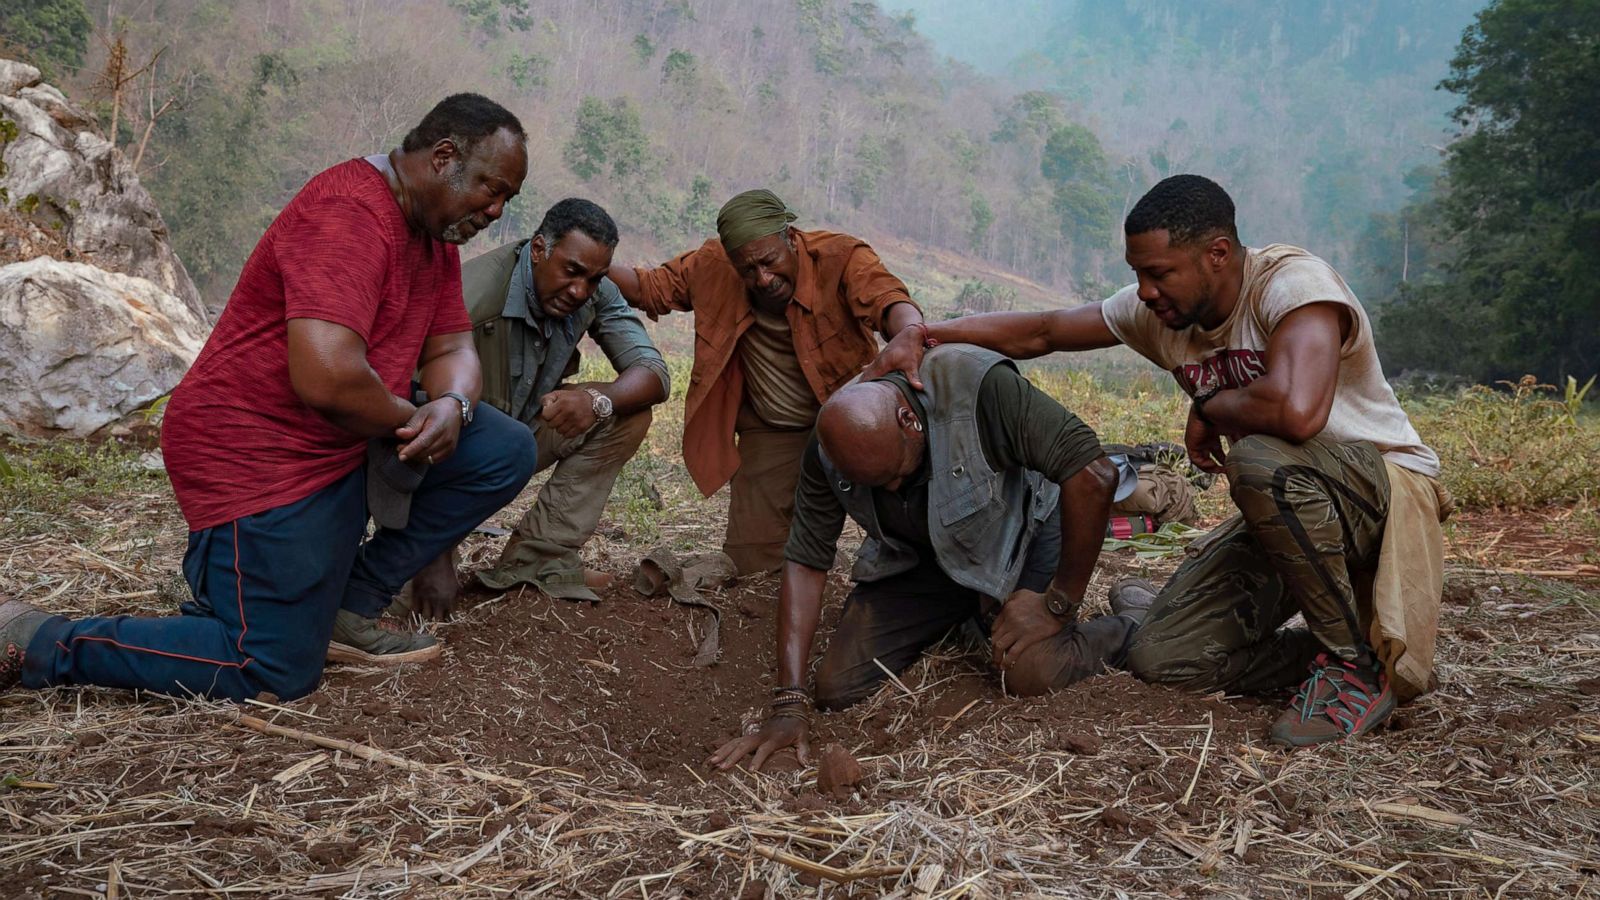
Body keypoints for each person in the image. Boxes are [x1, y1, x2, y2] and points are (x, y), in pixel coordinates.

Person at [865, 174, 1450, 748]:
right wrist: (925, 334)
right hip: (1293, 518)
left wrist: (1213, 404)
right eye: (1137, 274)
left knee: (1260, 462)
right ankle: (1335, 652)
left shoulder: (1293, 286)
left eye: (1159, 273)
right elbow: (1044, 332)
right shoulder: (1163, 314)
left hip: (1382, 494)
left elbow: (1299, 414)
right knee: (1164, 657)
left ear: (1217, 254)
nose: (1145, 290)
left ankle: (1353, 668)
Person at [0, 94, 537, 701]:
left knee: (502, 447)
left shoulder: (434, 238)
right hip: (255, 450)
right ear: (443, 158)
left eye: (506, 200)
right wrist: (414, 417)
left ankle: (347, 609)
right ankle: (38, 639)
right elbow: (327, 378)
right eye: (491, 190)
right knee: (269, 667)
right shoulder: (349, 213)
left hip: (341, 442)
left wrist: (454, 408)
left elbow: (452, 352)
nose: (495, 211)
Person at [709, 344, 1152, 771]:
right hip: (924, 556)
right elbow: (807, 558)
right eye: (875, 488)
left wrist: (1057, 602)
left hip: (1021, 534)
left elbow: (1095, 474)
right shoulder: (830, 444)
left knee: (1030, 673)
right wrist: (789, 700)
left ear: (909, 420)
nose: (892, 493)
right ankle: (971, 613)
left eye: (896, 475)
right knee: (836, 686)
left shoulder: (979, 388)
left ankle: (1136, 626)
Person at [607, 189, 924, 575]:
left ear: (790, 238)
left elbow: (887, 299)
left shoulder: (841, 257)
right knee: (752, 562)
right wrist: (594, 262)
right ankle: (817, 560)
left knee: (907, 542)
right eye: (748, 270)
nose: (763, 278)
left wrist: (909, 332)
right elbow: (648, 288)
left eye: (770, 262)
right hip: (774, 430)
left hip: (855, 422)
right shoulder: (713, 265)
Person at [404, 198, 670, 617]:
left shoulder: (593, 292)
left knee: (626, 411)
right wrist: (435, 551)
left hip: (517, 440)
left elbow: (653, 372)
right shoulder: (472, 298)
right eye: (572, 272)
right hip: (447, 458)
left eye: (594, 278)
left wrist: (598, 400)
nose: (580, 290)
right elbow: (415, 425)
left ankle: (538, 558)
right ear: (540, 248)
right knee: (402, 595)